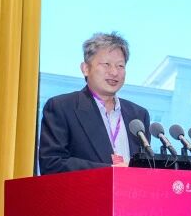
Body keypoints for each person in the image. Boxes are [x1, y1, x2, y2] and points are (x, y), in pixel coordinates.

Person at [38, 32, 151, 173]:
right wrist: (110, 171)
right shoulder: (62, 107)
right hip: (86, 188)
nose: (114, 72)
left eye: (120, 66)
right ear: (85, 68)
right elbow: (52, 164)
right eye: (106, 64)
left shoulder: (138, 115)